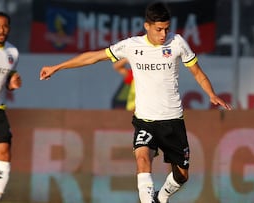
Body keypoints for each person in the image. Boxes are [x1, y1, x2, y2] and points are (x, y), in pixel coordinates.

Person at [39, 2, 232, 202]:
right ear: (147, 26)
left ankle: (161, 197)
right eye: (159, 29)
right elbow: (94, 57)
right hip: (145, 121)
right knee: (142, 160)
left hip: (172, 120)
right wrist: (57, 67)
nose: (163, 34)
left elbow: (197, 73)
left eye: (166, 29)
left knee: (181, 176)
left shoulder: (178, 43)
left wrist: (211, 93)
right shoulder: (131, 46)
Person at [0, 12, 21, 203]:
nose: (2, 30)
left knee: (4, 153)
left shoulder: (12, 53)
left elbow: (7, 80)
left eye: (5, 26)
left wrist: (12, 83)